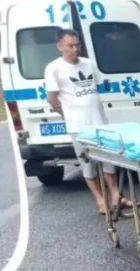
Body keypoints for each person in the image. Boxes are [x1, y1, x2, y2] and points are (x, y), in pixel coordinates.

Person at [44, 29, 123, 215]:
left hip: (99, 121)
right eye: (70, 46)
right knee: (88, 163)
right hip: (78, 126)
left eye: (77, 45)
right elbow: (52, 99)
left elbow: (99, 85)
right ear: (60, 47)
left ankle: (116, 195)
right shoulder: (54, 68)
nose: (75, 49)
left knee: (108, 160)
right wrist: (67, 116)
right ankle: (100, 200)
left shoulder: (89, 64)